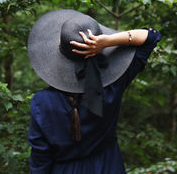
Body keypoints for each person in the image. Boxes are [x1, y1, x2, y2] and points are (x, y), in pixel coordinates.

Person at [27, 9, 161, 174]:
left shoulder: (42, 102)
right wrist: (108, 41)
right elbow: (151, 36)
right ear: (97, 51)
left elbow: (40, 159)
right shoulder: (113, 86)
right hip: (108, 167)